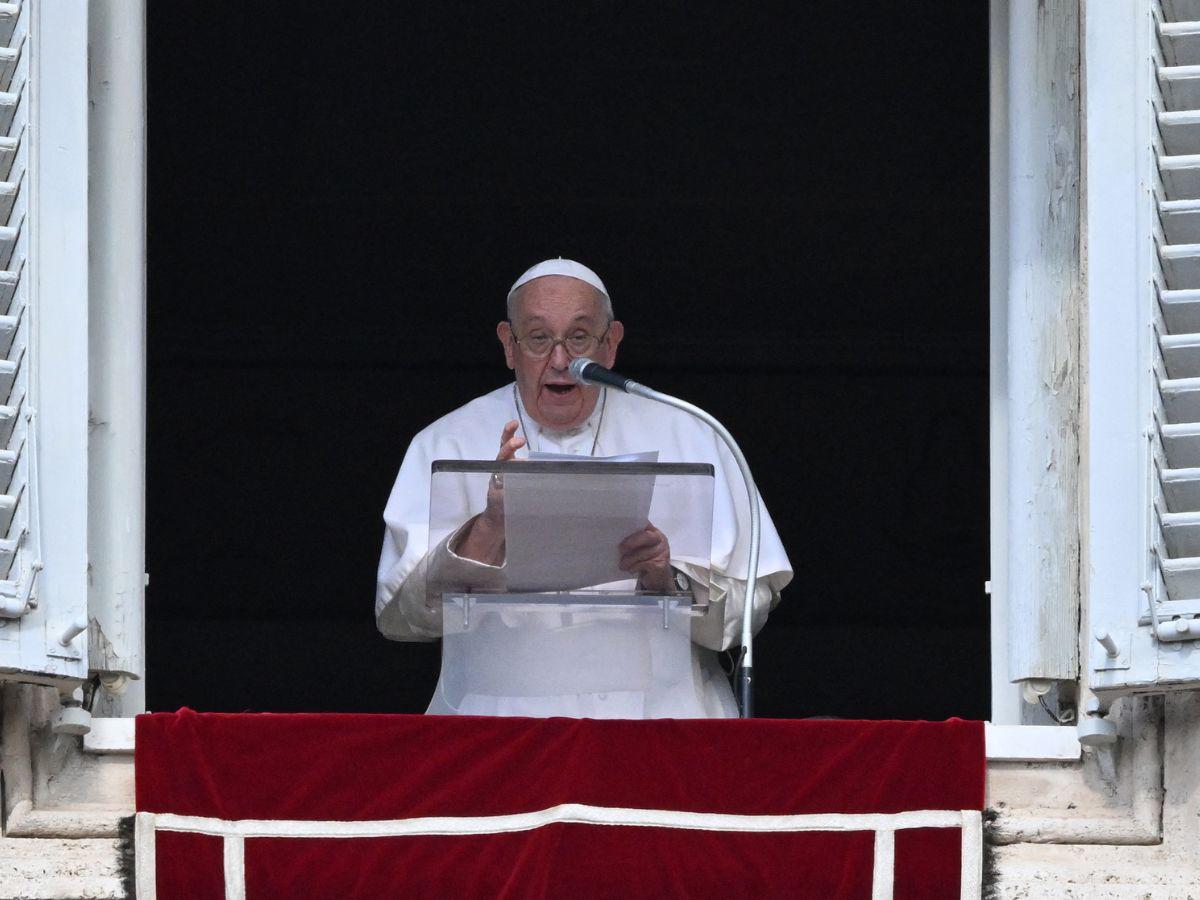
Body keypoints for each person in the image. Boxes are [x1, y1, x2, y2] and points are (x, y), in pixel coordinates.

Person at [376, 259, 792, 717]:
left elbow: (748, 611)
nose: (561, 361)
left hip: (660, 720)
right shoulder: (445, 442)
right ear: (508, 345)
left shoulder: (693, 434)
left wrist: (666, 580)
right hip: (496, 724)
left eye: (578, 337)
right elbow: (401, 616)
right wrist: (490, 527)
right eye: (538, 338)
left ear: (610, 344)